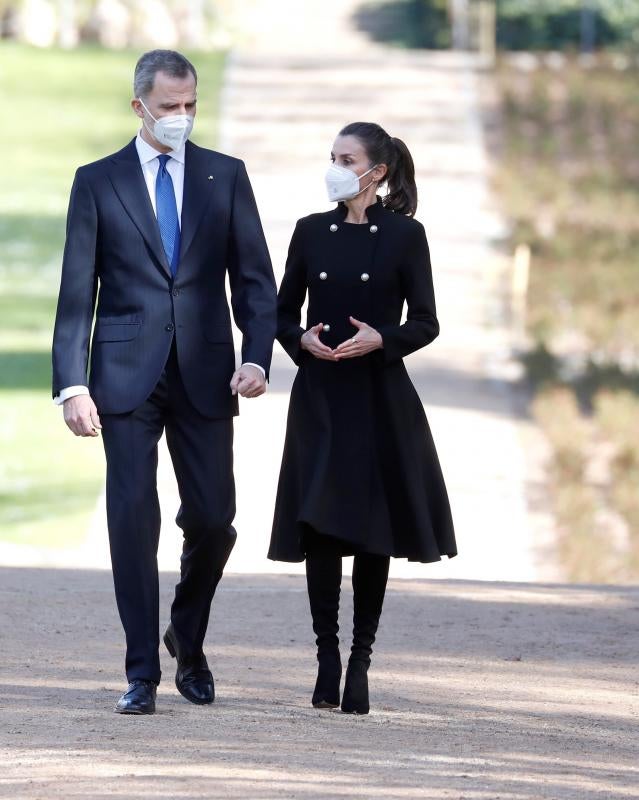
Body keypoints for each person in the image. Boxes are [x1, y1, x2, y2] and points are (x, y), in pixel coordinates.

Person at [52, 50, 277, 715]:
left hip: (208, 372)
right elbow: (76, 292)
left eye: (191, 105)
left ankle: (187, 632)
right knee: (131, 518)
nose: (181, 115)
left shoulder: (224, 175)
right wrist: (72, 385)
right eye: (169, 106)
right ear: (139, 107)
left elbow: (255, 282)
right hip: (124, 377)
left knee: (214, 518)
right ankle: (142, 672)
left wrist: (257, 358)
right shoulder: (97, 181)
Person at [269, 122, 457, 715]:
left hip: (379, 396)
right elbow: (281, 312)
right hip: (320, 395)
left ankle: (360, 662)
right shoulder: (309, 231)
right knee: (322, 525)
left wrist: (383, 339)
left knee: (373, 531)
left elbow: (425, 321)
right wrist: (300, 340)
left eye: (346, 159)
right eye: (332, 157)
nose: (335, 168)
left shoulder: (406, 235)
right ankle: (326, 657)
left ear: (377, 172)